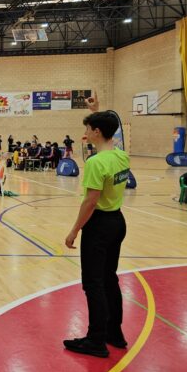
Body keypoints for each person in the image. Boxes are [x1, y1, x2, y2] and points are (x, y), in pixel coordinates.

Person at [63, 94, 130, 358]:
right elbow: (110, 138)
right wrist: (96, 112)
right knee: (109, 278)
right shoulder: (121, 156)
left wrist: (74, 230)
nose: (86, 133)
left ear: (97, 132)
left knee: (93, 283)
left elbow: (90, 202)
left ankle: (96, 340)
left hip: (99, 226)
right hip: (117, 222)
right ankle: (114, 333)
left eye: (89, 128)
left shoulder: (95, 163)